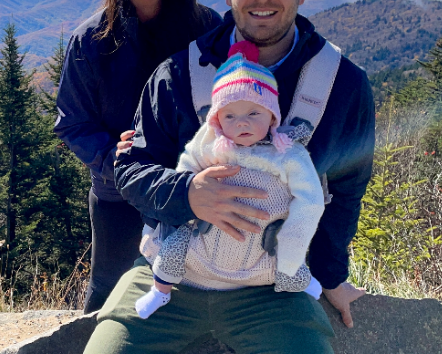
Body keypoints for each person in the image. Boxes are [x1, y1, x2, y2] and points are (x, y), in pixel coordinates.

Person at [84, 0, 375, 354]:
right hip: (168, 280)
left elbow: (348, 187)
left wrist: (331, 276)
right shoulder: (181, 73)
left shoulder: (341, 85)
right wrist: (189, 193)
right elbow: (131, 169)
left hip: (271, 291)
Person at [54, 0, 221, 314]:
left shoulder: (208, 31)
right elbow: (72, 124)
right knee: (107, 296)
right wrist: (118, 162)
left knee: (194, 295)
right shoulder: (89, 41)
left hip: (194, 193)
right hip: (117, 198)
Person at [133, 40, 325, 320]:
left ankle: (303, 284)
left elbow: (310, 201)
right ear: (217, 119)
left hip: (262, 246)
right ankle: (160, 292)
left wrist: (292, 246)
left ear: (272, 115)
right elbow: (186, 166)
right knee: (172, 250)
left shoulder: (288, 154)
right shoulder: (211, 143)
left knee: (290, 269)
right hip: (204, 239)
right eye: (230, 116)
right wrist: (189, 192)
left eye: (253, 113)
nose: (242, 123)